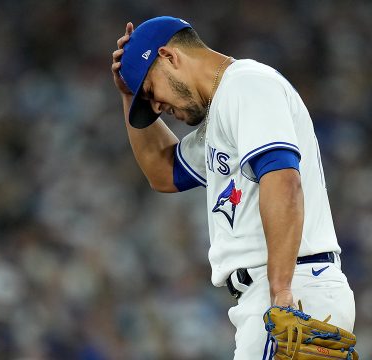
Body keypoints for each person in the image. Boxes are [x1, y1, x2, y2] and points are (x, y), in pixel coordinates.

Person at [110, 16, 355, 358]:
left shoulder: (246, 84)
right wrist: (129, 93)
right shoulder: (223, 111)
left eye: (151, 92)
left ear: (169, 57)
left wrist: (282, 294)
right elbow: (162, 172)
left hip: (291, 289)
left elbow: (283, 180)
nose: (157, 108)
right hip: (280, 292)